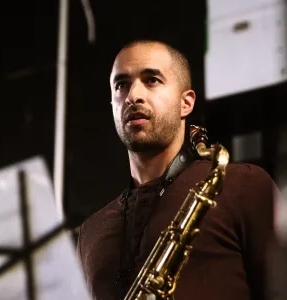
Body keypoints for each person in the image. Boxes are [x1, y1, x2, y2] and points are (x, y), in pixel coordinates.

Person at [76, 39, 279, 300]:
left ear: (187, 103)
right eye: (121, 84)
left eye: (152, 80)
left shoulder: (243, 185)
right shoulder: (90, 232)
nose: (133, 95)